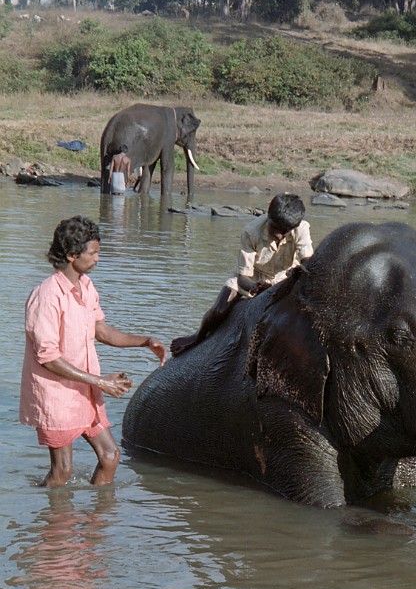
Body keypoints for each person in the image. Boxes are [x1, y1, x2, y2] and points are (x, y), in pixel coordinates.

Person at [20, 215, 168, 487]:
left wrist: (146, 341)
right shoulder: (47, 296)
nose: (98, 258)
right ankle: (53, 527)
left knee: (110, 456)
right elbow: (48, 357)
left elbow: (101, 330)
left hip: (86, 391)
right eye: (94, 252)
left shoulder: (86, 286)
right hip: (57, 395)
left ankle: (94, 526)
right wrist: (101, 381)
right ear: (71, 255)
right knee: (62, 471)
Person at [171, 193, 313, 357]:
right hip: (253, 277)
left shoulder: (301, 228)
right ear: (268, 216)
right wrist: (254, 287)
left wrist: (297, 275)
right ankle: (197, 337)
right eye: (275, 228)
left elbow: (307, 259)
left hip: (285, 277)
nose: (279, 235)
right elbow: (242, 277)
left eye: (284, 231)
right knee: (219, 309)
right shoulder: (251, 232)